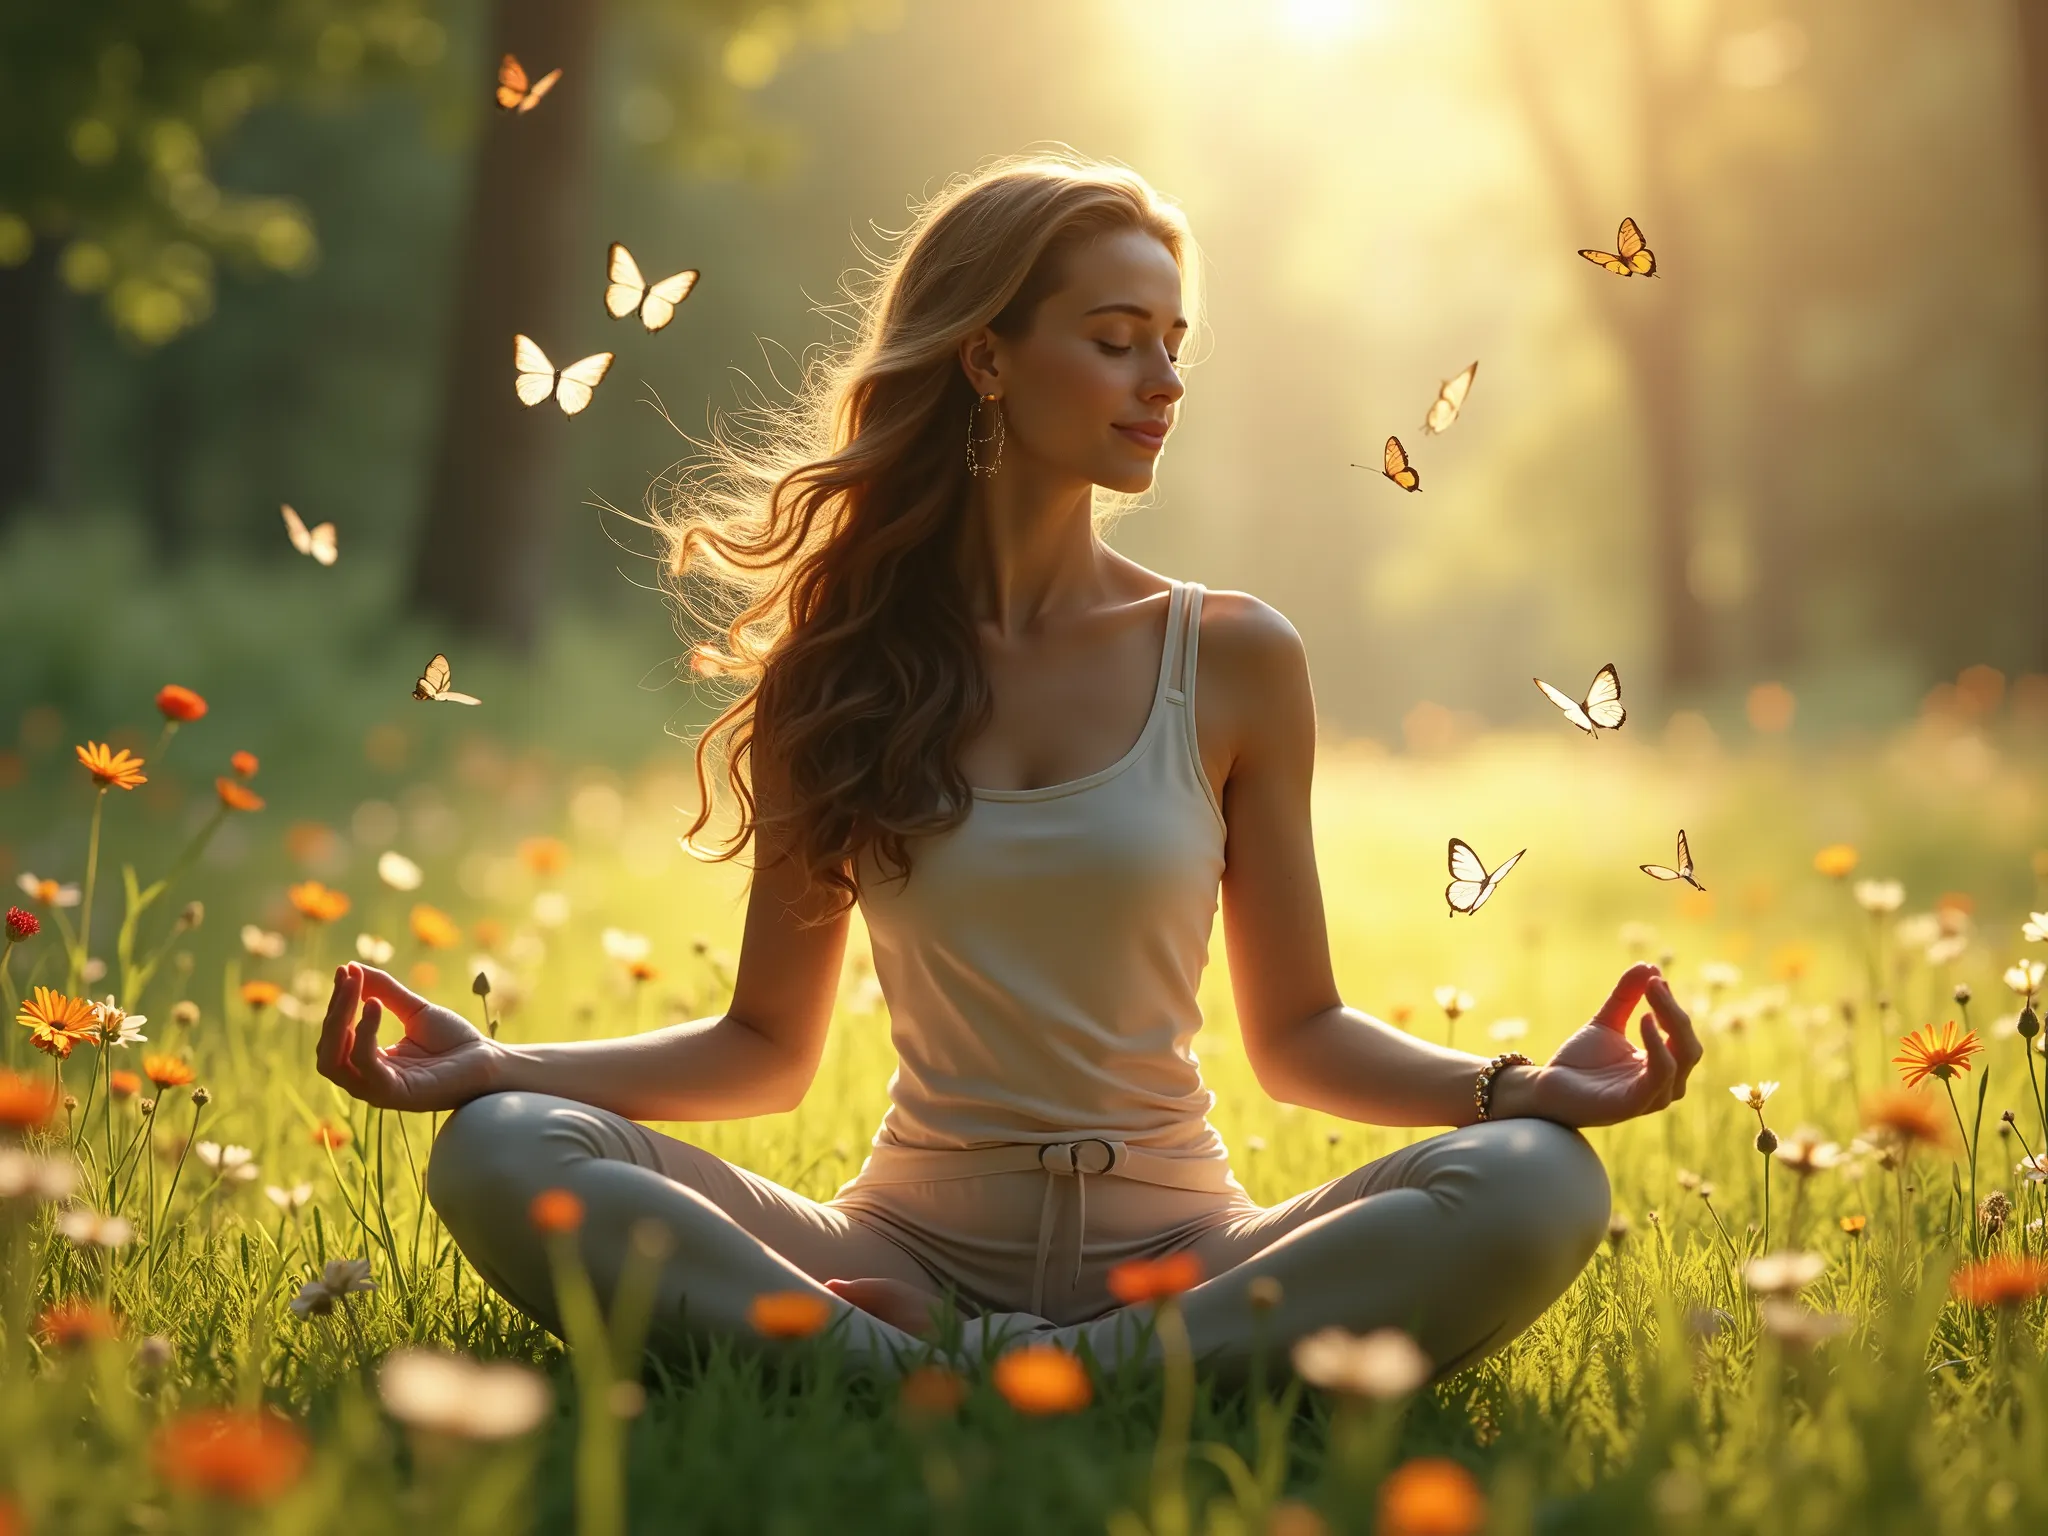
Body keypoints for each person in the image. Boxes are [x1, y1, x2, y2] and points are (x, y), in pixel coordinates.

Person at [313, 152, 1702, 1383]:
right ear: (986, 356)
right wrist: (502, 1064)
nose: (1162, 382)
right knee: (500, 1149)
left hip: (1186, 1250)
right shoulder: (842, 668)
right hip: (905, 1251)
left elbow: (1299, 1038)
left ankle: (982, 1373)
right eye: (1114, 341)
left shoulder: (1233, 658)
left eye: (1174, 343)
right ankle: (989, 1364)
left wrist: (1520, 1087)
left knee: (1535, 1185)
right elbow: (763, 1051)